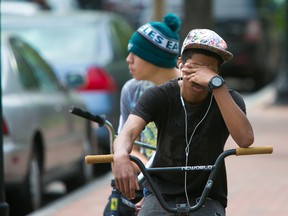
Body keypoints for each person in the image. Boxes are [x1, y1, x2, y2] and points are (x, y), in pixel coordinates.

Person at [112, 28, 254, 216]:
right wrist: (121, 155)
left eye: (209, 70)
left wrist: (216, 86)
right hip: (160, 193)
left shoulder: (229, 99)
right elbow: (127, 132)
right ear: (180, 63)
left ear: (218, 74)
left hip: (207, 196)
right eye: (193, 67)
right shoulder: (158, 95)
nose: (199, 76)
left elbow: (245, 139)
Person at [103, 13, 181, 215]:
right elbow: (127, 144)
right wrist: (146, 169)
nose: (128, 59)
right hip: (143, 182)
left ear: (154, 57)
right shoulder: (131, 90)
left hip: (179, 187)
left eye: (135, 53)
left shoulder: (189, 91)